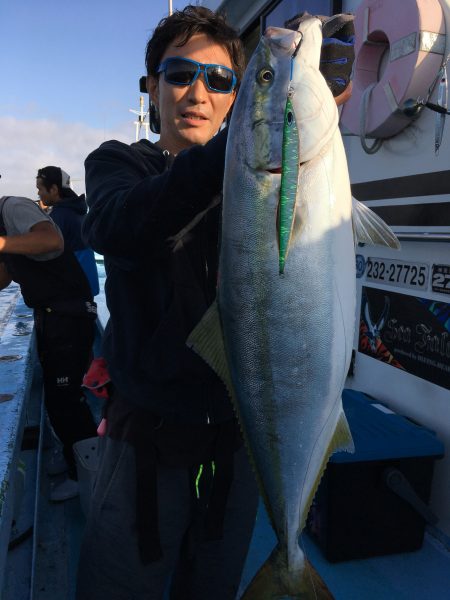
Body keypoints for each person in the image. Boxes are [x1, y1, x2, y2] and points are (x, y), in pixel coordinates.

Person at [76, 6, 259, 600]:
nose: (197, 93)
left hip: (236, 446)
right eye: (179, 74)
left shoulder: (261, 179)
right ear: (153, 87)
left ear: (235, 96)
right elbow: (117, 227)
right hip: (144, 448)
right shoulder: (119, 165)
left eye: (220, 80)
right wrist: (241, 143)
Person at [0, 194, 98, 501]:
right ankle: (72, 459)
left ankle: (86, 480)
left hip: (68, 317)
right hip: (50, 317)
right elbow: (4, 279)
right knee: (58, 400)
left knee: (67, 399)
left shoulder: (13, 208)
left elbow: (51, 241)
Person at [36, 166, 100, 296]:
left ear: (53, 189)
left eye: (40, 189)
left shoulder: (59, 216)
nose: (38, 193)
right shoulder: (78, 210)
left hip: (72, 291)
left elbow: (43, 251)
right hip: (87, 286)